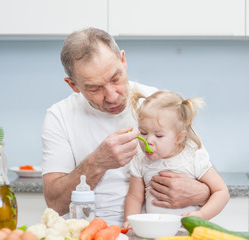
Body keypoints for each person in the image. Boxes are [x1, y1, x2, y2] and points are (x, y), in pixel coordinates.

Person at [41, 27, 211, 226]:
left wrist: (202, 193)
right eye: (95, 88)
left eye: (116, 79)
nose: (112, 96)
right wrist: (98, 162)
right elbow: (55, 204)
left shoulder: (158, 104)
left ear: (123, 60)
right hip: (90, 229)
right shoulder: (59, 116)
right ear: (73, 85)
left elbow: (205, 176)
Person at [124, 90, 230, 227]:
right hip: (155, 232)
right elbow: (134, 197)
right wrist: (130, 221)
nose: (148, 141)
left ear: (179, 138)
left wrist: (202, 215)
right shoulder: (139, 160)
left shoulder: (193, 157)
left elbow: (222, 192)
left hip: (189, 232)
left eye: (159, 135)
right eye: (143, 133)